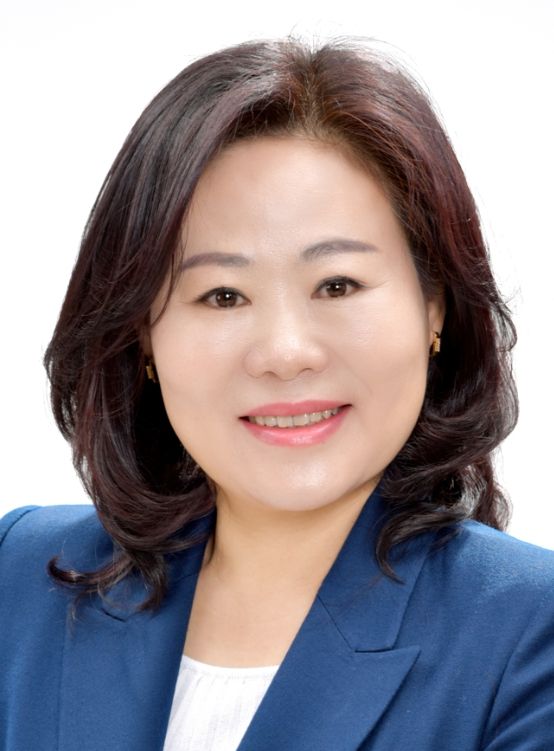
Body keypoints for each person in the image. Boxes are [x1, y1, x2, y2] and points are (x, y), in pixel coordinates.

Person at [1, 34, 553, 751]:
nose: (285, 354)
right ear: (143, 337)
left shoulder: (527, 636)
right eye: (223, 295)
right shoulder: (22, 579)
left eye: (338, 285)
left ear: (434, 307)